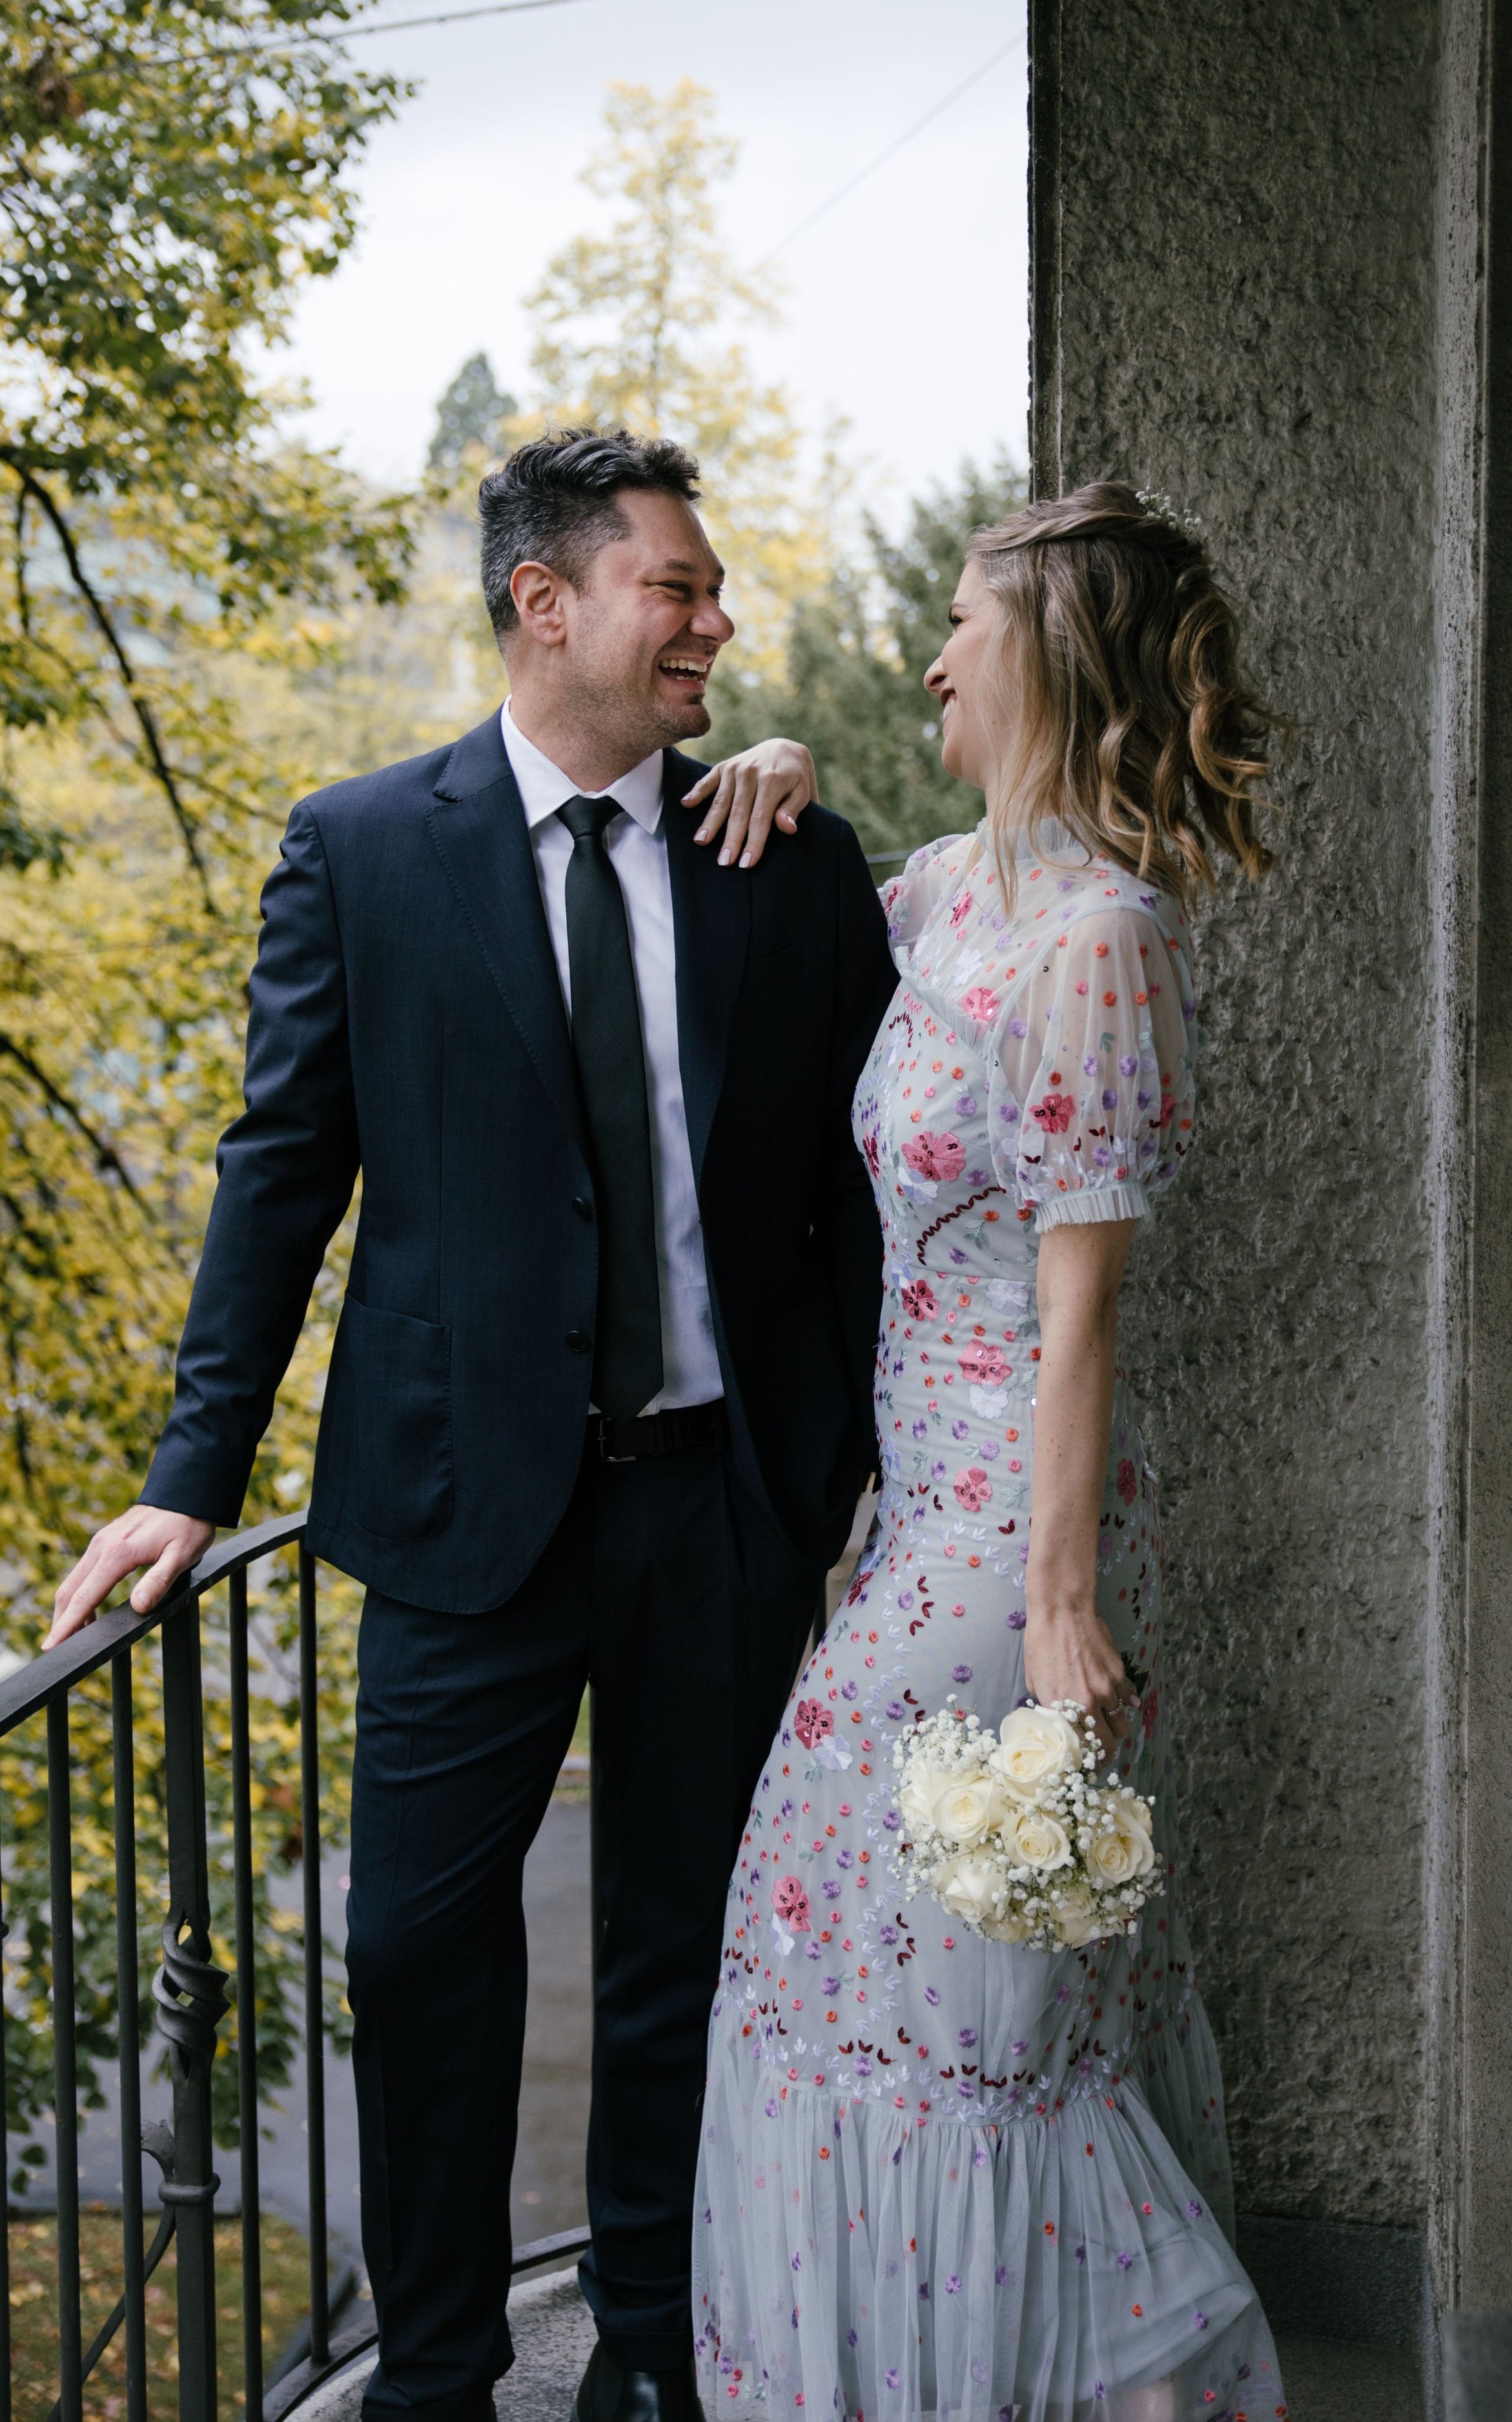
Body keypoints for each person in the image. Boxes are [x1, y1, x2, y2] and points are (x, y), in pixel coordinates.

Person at [47, 428, 897, 2422]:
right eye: (675, 589)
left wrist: (842, 1475)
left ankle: (657, 2352)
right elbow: (281, 1172)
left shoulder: (781, 853)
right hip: (453, 1519)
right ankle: (433, 2380)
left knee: (682, 1962)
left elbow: (859, 1189)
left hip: (724, 1512)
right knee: (419, 1957)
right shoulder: (361, 848)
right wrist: (193, 1480)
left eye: (708, 595)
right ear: (547, 606)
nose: (713, 622)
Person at [690, 486, 1291, 2422]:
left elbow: (1081, 1315)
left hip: (996, 1558)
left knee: (947, 2007)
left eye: (964, 625)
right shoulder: (953, 891)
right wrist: (770, 765)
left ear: (1045, 659)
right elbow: (789, 968)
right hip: (909, 1528)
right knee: (848, 1963)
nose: (935, 657)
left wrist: (1052, 1608)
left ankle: (1072, 2380)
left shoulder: (1102, 942)